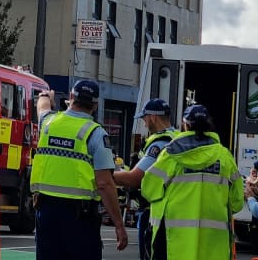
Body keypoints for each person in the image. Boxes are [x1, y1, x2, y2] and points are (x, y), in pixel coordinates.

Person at [30, 79, 128, 259]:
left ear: (71, 97)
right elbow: (105, 184)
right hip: (80, 218)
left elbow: (42, 107)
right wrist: (119, 225)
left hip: (46, 212)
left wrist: (45, 95)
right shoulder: (96, 134)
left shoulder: (49, 122)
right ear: (95, 105)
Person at [141, 104, 244, 260]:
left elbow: (149, 190)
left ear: (185, 125)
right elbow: (236, 203)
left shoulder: (169, 155)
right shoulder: (224, 157)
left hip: (174, 245)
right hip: (214, 248)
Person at [113, 98, 177, 260]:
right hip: (172, 211)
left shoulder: (160, 143)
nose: (144, 122)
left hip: (155, 212)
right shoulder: (177, 137)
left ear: (153, 117)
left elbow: (135, 178)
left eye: (144, 118)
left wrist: (104, 175)